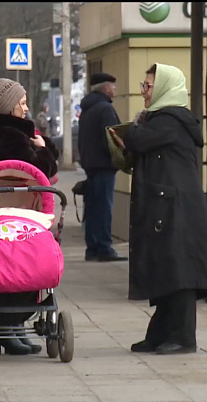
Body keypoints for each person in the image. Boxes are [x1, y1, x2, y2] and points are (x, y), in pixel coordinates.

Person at [110, 63, 207, 355]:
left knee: (179, 272)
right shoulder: (160, 119)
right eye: (143, 85)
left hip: (178, 207)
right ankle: (159, 334)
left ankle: (182, 338)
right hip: (166, 205)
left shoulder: (170, 119)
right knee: (166, 269)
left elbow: (141, 139)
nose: (143, 91)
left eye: (148, 86)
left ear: (165, 88)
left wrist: (128, 135)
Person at [0, 77, 59, 356]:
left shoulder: (14, 132)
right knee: (14, 267)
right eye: (22, 104)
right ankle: (6, 329)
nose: (26, 109)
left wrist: (41, 144)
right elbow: (40, 168)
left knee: (16, 265)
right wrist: (42, 148)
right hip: (13, 209)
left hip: (14, 207)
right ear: (9, 106)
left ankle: (12, 330)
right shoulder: (9, 136)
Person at [77, 72, 128, 262]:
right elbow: (112, 138)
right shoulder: (105, 109)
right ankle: (105, 248)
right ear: (106, 87)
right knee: (104, 208)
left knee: (92, 208)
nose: (115, 90)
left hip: (90, 164)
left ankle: (92, 248)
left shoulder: (87, 109)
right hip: (104, 165)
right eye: (113, 87)